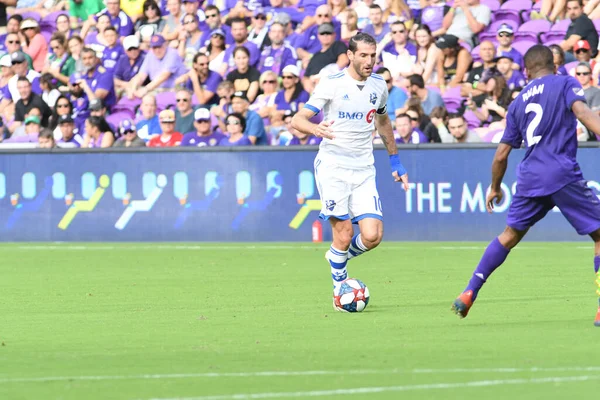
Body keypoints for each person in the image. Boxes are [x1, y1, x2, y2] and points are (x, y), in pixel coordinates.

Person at [451, 45, 600, 327]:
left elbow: (501, 154)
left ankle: (470, 290)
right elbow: (582, 113)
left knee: (509, 235)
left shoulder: (518, 103)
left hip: (530, 177)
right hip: (561, 172)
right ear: (555, 66)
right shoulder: (565, 82)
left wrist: (494, 186)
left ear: (527, 71)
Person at [291, 33, 409, 307]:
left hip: (364, 167)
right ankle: (338, 292)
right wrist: (315, 128)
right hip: (333, 165)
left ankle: (336, 256)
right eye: (364, 55)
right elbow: (299, 119)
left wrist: (395, 161)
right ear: (351, 55)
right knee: (343, 233)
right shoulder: (331, 84)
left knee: (372, 236)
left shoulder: (379, 84)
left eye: (373, 55)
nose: (369, 61)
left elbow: (383, 122)